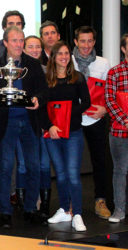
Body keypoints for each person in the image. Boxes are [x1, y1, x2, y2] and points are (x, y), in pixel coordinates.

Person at [0, 26, 48, 228]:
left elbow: (44, 91)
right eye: (14, 41)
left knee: (34, 166)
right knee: (6, 166)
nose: (19, 44)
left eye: (21, 40)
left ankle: (30, 209)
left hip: (29, 121)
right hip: (6, 123)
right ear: (6, 43)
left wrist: (37, 99)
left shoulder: (33, 65)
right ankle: (6, 212)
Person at [44, 41, 90, 232]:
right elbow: (41, 108)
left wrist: (67, 115)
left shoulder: (77, 78)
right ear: (53, 57)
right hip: (53, 133)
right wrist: (50, 125)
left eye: (66, 53)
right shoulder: (46, 80)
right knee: (61, 175)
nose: (63, 56)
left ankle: (77, 213)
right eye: (59, 54)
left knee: (72, 175)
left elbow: (86, 103)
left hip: (73, 132)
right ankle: (64, 209)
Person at [72, 26, 112, 219]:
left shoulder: (104, 64)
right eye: (82, 41)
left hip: (96, 118)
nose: (86, 45)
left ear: (94, 42)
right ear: (76, 42)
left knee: (100, 161)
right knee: (72, 164)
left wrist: (105, 109)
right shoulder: (67, 60)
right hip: (73, 119)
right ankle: (70, 203)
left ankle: (100, 200)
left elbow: (108, 92)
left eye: (90, 41)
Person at [23, 35, 51, 218]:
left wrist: (45, 124)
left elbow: (47, 99)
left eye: (38, 47)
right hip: (25, 123)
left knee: (44, 164)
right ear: (23, 48)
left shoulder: (48, 70)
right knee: (27, 165)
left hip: (44, 123)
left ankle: (44, 203)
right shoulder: (20, 70)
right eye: (30, 46)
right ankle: (31, 202)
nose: (35, 50)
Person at [105, 33, 128, 223]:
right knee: (120, 171)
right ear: (123, 49)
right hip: (120, 131)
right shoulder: (115, 72)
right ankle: (119, 209)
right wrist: (126, 120)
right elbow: (109, 101)